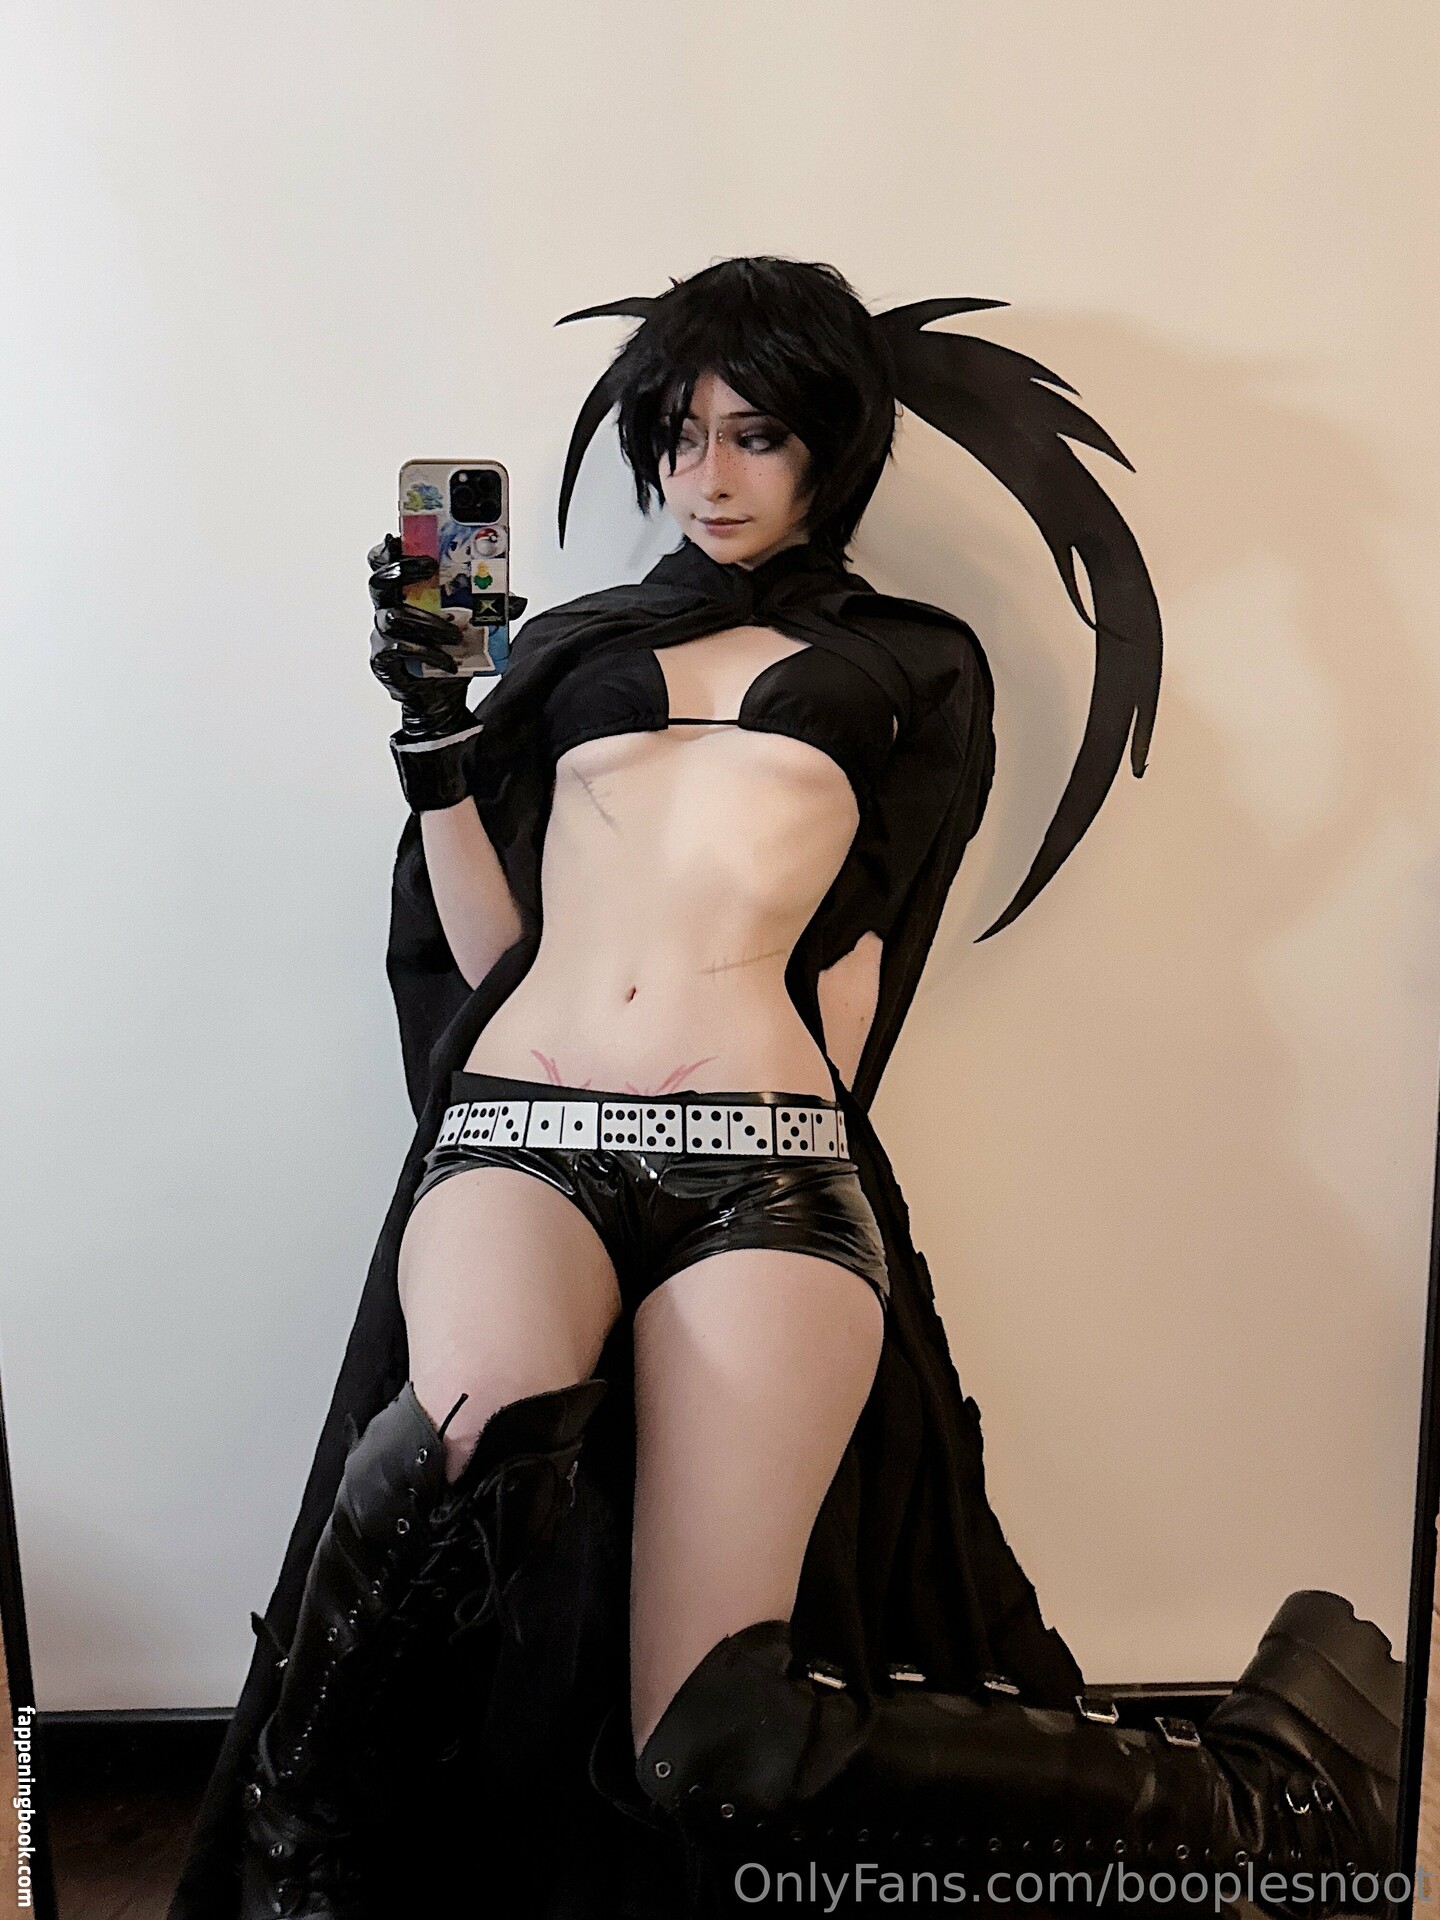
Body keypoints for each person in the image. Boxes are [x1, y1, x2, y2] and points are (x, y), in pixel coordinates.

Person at [169, 258, 1401, 1920]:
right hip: (528, 1132)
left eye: (753, 435)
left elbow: (865, 961)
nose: (709, 475)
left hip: (758, 1155)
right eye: (680, 437)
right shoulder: (567, 648)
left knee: (710, 1732)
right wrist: (435, 738)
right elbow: (492, 957)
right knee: (447, 1450)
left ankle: (1262, 1797)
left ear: (835, 443)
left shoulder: (916, 663)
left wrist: (826, 1135)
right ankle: (301, 1869)